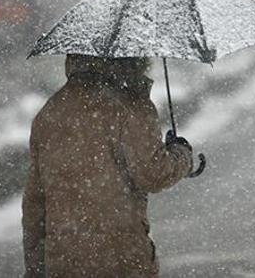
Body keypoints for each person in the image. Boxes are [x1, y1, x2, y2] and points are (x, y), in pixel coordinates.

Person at [22, 54, 194, 278]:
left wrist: (35, 268)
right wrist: (182, 155)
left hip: (63, 262)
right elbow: (153, 173)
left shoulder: (50, 112)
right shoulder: (131, 106)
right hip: (121, 258)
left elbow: (35, 202)